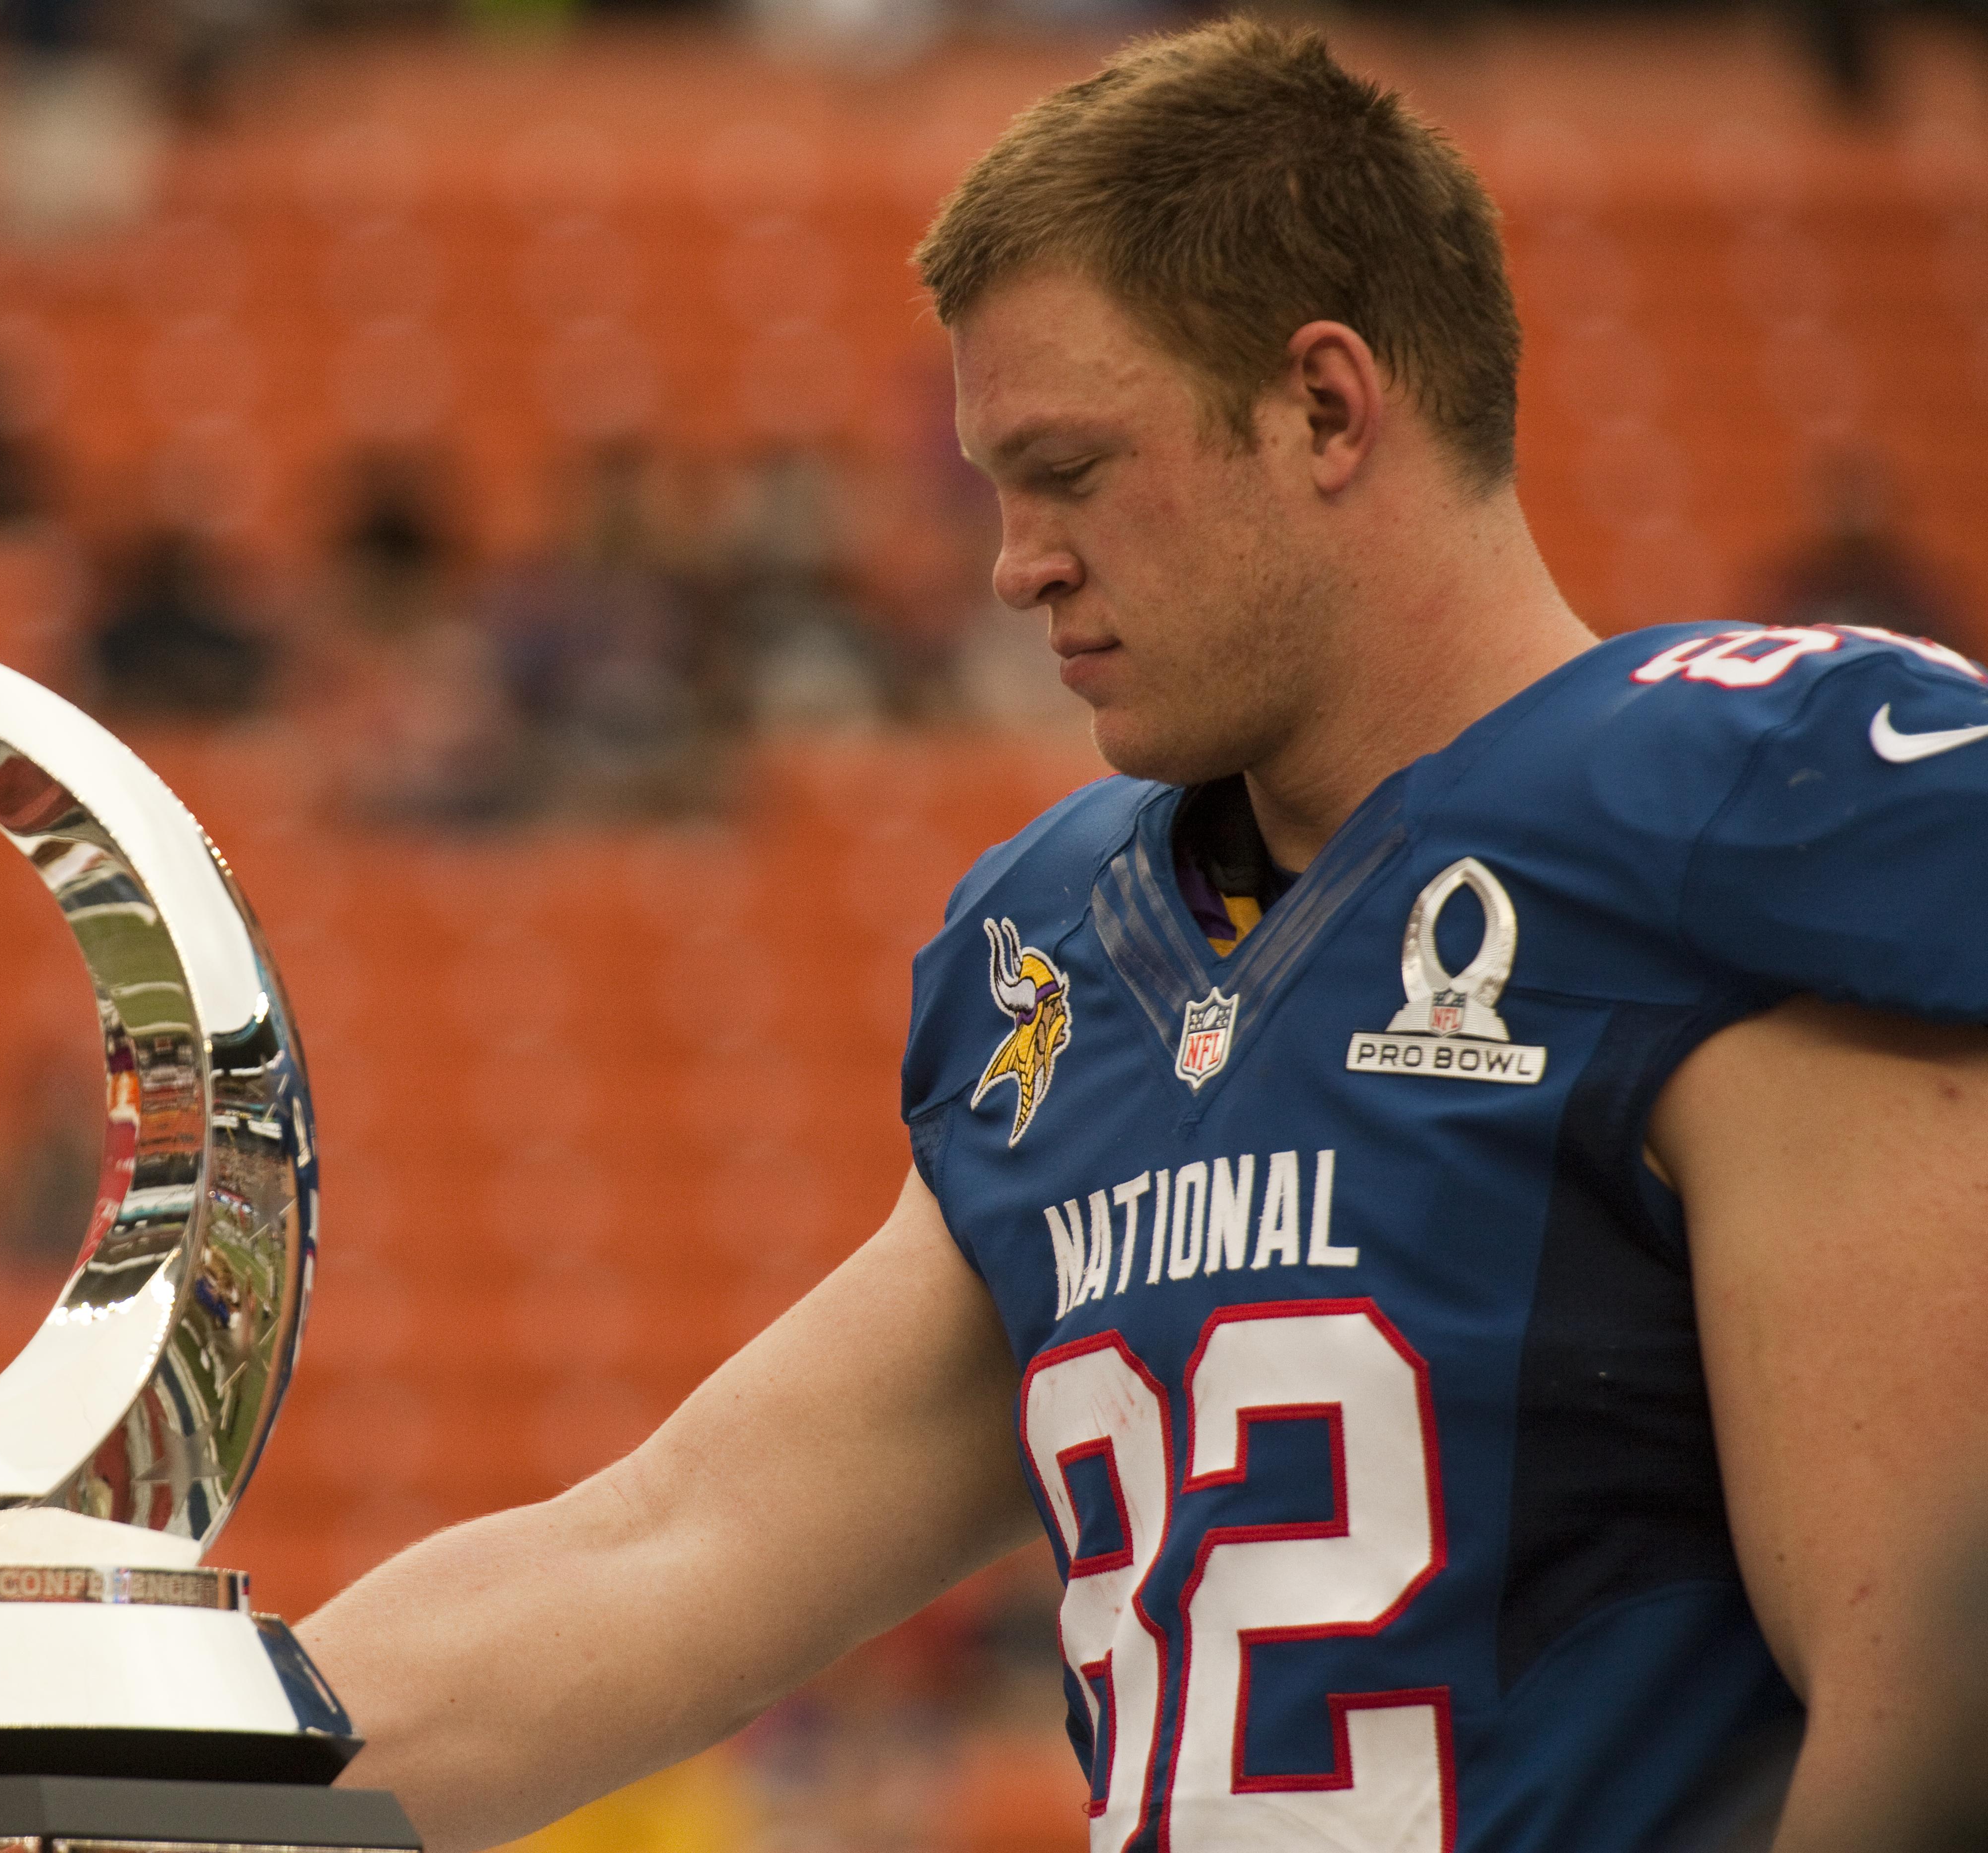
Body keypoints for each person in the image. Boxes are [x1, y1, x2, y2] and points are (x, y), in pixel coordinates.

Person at [296, 20, 1988, 1853]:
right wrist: (142, 1771)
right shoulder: (1073, 952)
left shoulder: (1746, 813)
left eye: (1073, 472)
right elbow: (664, 1549)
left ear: (1327, 409)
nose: (1014, 560)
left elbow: (1940, 1700)